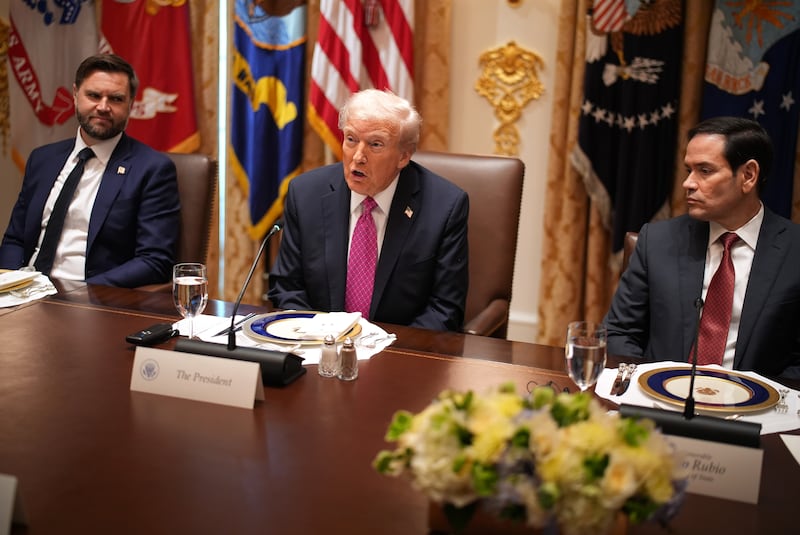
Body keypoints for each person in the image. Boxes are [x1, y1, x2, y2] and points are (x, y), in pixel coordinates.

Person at [604, 116, 800, 378]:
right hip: (658, 402)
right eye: (689, 170)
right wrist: (649, 386)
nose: (688, 183)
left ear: (748, 176)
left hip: (757, 410)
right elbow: (620, 332)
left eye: (705, 171)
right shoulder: (658, 241)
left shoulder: (794, 251)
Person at [268, 89, 469, 331]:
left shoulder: (444, 207)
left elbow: (445, 309)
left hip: (399, 356)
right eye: (351, 139)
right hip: (319, 350)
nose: (358, 157)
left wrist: (386, 351)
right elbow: (287, 287)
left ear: (404, 156)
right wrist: (320, 340)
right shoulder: (305, 194)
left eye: (375, 144)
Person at [0, 54, 180, 287]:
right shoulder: (42, 159)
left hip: (89, 299)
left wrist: (84, 293)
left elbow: (155, 261)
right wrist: (10, 285)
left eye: (116, 99)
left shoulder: (152, 169)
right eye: (94, 95)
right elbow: (15, 238)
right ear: (76, 94)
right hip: (25, 293)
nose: (103, 107)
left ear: (130, 104)